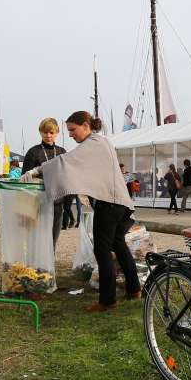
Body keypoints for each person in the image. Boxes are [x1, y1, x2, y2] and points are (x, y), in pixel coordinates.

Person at [23, 111, 139, 312]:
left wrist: (36, 171)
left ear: (86, 125)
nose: (70, 135)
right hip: (118, 202)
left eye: (72, 130)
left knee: (102, 251)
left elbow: (65, 162)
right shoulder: (101, 142)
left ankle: (107, 300)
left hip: (109, 203)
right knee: (118, 245)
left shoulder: (93, 143)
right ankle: (134, 289)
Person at [22, 118, 68, 246]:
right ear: (40, 132)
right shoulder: (33, 152)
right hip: (37, 202)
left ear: (57, 133)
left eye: (51, 132)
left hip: (57, 201)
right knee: (37, 235)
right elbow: (25, 178)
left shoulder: (61, 152)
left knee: (53, 235)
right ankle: (37, 263)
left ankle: (50, 263)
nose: (48, 135)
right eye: (45, 132)